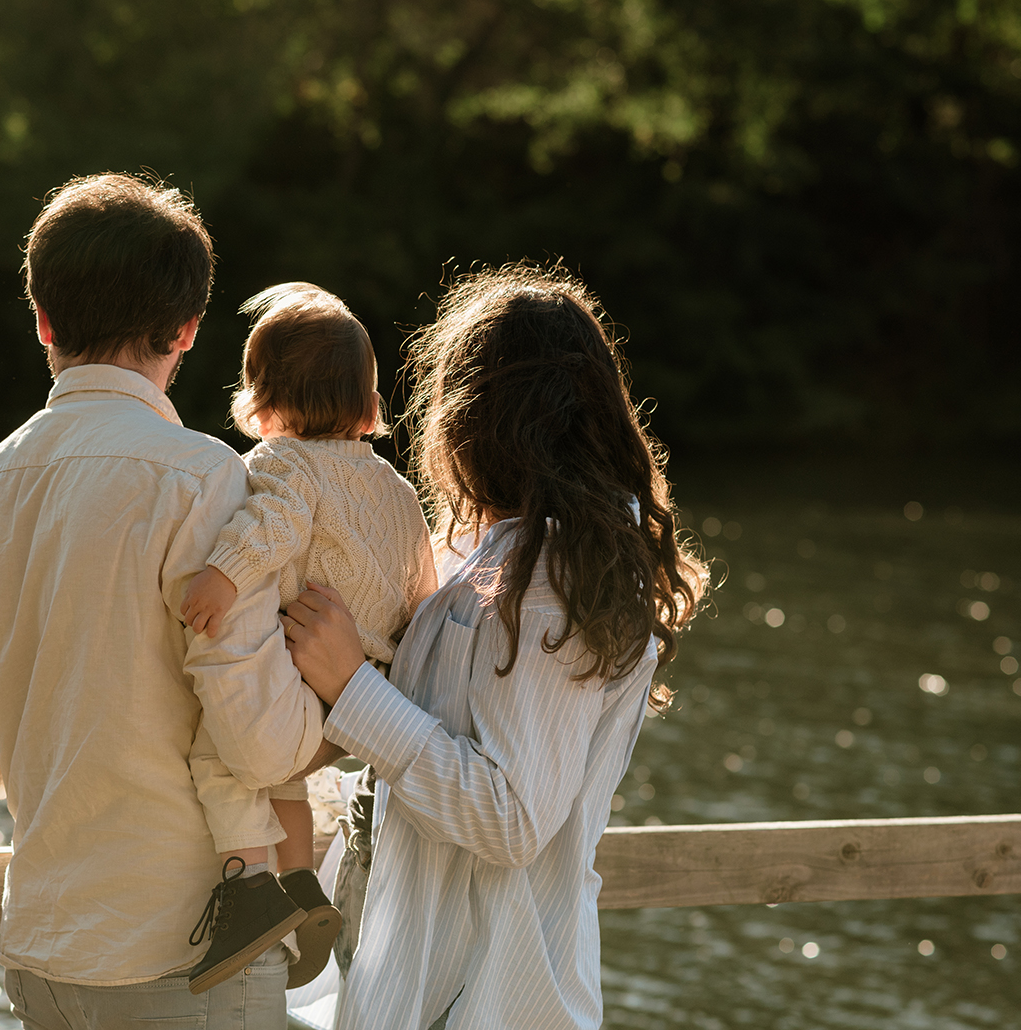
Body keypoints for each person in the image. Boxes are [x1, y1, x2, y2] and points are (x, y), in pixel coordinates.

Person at [0, 172, 331, 1030]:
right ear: (187, 330)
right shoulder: (211, 480)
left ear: (43, 321)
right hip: (192, 952)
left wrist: (53, 733)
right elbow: (252, 733)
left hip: (46, 955)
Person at [281, 263, 710, 1030]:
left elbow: (511, 817)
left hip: (488, 1006)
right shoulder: (497, 556)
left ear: (479, 416)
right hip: (425, 991)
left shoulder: (553, 581)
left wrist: (352, 687)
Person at [178, 282, 438, 993]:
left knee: (216, 755)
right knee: (288, 772)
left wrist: (223, 577)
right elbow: (425, 592)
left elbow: (273, 526)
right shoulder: (396, 487)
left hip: (299, 690)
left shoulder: (280, 464)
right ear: (368, 403)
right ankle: (302, 889)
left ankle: (249, 882)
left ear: (262, 404)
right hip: (363, 699)